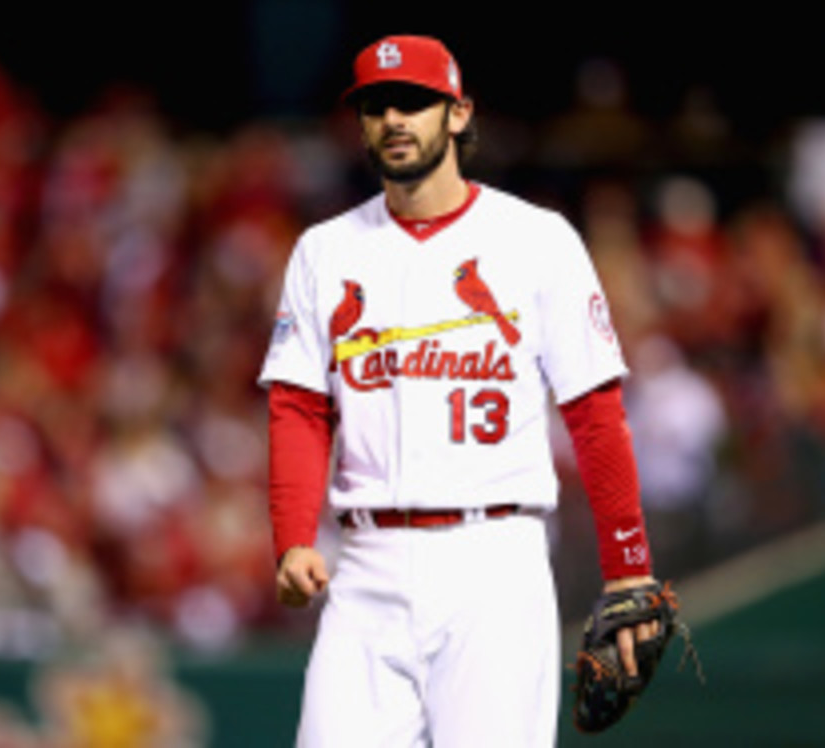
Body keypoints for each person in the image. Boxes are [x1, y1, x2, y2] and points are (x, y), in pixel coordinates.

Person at [259, 35, 661, 746]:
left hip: (493, 562)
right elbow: (298, 405)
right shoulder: (326, 249)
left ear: (458, 113)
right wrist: (292, 538)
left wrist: (628, 569)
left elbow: (595, 415)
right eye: (377, 106)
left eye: (414, 102)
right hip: (366, 565)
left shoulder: (536, 239)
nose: (394, 119)